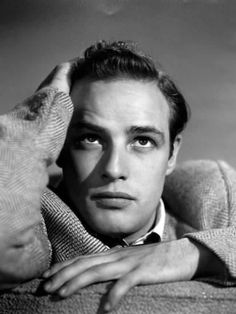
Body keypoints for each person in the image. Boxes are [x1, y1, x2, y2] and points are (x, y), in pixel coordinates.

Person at [0, 40, 236, 312]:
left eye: (143, 141)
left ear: (171, 154)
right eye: (90, 138)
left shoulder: (204, 202)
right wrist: (43, 112)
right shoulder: (33, 223)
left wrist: (195, 253)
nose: (114, 169)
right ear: (60, 146)